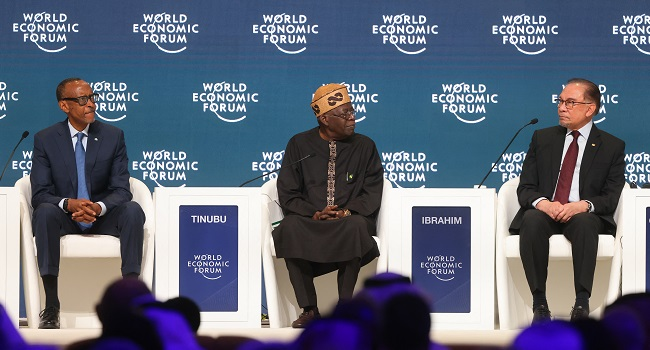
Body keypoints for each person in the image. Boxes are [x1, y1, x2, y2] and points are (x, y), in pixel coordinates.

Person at [30, 77, 145, 329]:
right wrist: (69, 204)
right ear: (64, 106)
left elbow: (121, 190)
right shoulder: (45, 140)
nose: (91, 104)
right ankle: (51, 306)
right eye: (82, 100)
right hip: (64, 217)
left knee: (133, 210)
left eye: (92, 98)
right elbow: (39, 193)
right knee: (45, 212)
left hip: (102, 216)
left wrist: (98, 207)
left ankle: (130, 301)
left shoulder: (113, 136)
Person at [509, 78, 626, 324]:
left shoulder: (612, 146)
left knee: (585, 223)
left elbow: (611, 196)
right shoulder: (542, 138)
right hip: (546, 212)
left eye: (570, 102)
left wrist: (582, 205)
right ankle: (539, 304)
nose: (562, 107)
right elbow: (526, 187)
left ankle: (582, 303)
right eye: (560, 101)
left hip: (583, 213)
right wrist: (545, 203)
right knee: (531, 219)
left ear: (590, 108)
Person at [272, 83, 384, 328]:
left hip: (350, 218)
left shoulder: (366, 146)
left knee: (354, 226)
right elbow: (288, 191)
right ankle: (309, 309)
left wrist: (346, 211)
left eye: (352, 111)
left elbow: (372, 190)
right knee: (289, 227)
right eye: (344, 114)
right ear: (324, 118)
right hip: (311, 219)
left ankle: (346, 309)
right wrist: (313, 213)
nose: (352, 117)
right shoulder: (299, 145)